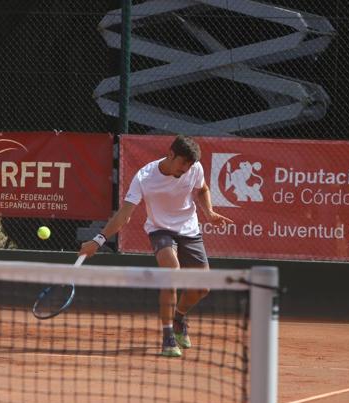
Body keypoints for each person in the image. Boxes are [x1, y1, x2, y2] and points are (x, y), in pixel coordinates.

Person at [79, 135, 234, 357]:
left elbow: (202, 189)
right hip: (160, 230)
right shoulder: (144, 177)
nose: (186, 168)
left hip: (189, 229)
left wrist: (208, 213)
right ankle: (168, 334)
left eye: (190, 165)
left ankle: (179, 317)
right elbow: (124, 216)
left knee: (202, 288)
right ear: (170, 154)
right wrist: (98, 240)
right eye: (183, 163)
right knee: (171, 271)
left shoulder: (194, 168)